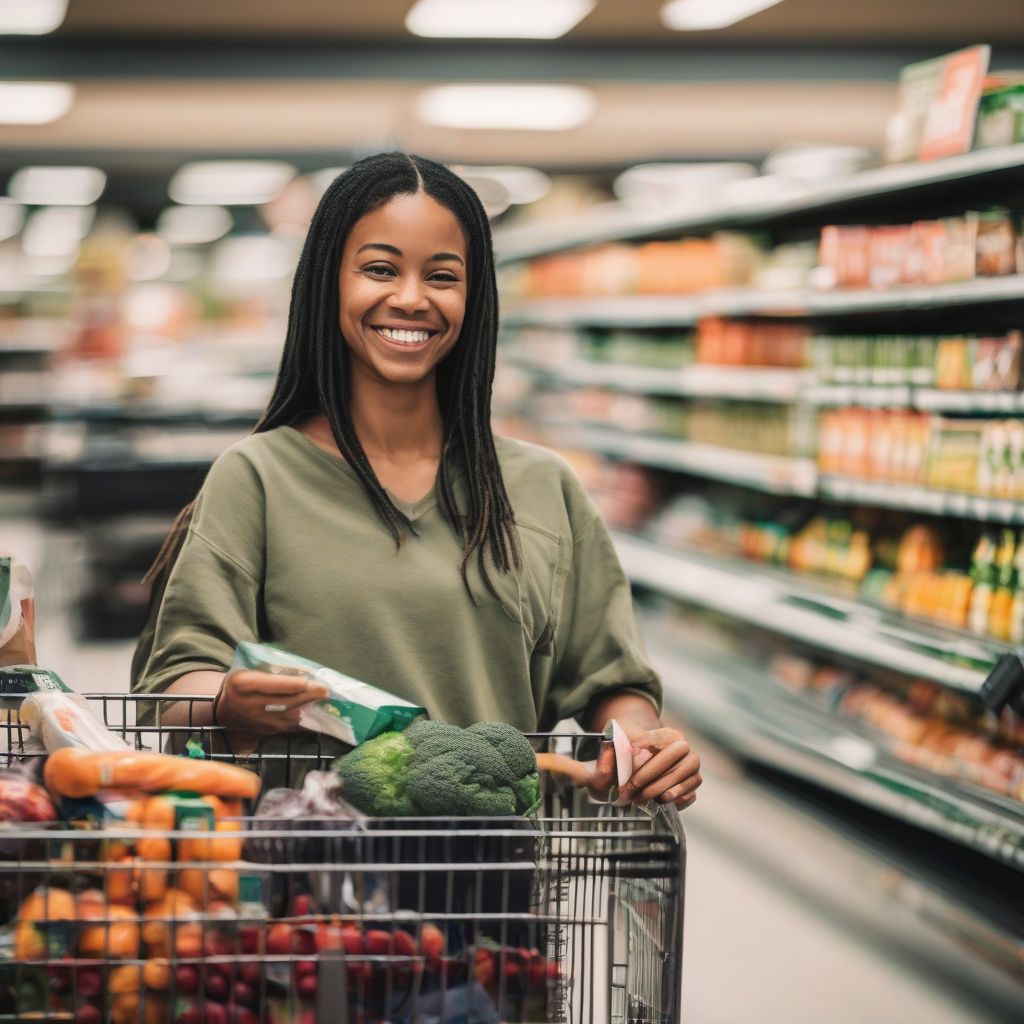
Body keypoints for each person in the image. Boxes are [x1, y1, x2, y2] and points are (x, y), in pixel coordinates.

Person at [132, 152, 701, 809]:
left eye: (442, 276)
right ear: (328, 283)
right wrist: (228, 699)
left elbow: (611, 681)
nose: (410, 297)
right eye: (379, 269)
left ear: (474, 297)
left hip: (496, 889)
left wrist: (641, 742)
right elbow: (174, 684)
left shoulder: (543, 487)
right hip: (307, 889)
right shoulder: (259, 478)